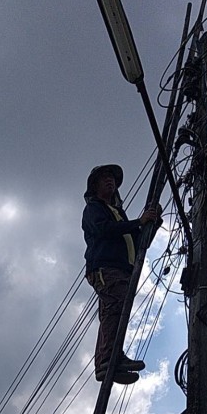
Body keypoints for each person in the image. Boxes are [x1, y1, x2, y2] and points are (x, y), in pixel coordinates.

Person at [83, 164, 161, 382]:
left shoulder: (118, 213)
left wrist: (152, 222)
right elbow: (103, 229)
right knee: (115, 306)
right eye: (104, 178)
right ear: (95, 185)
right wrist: (138, 222)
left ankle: (109, 360)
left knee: (113, 311)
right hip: (105, 267)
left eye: (112, 178)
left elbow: (139, 242)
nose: (110, 181)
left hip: (120, 268)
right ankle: (109, 358)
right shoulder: (94, 208)